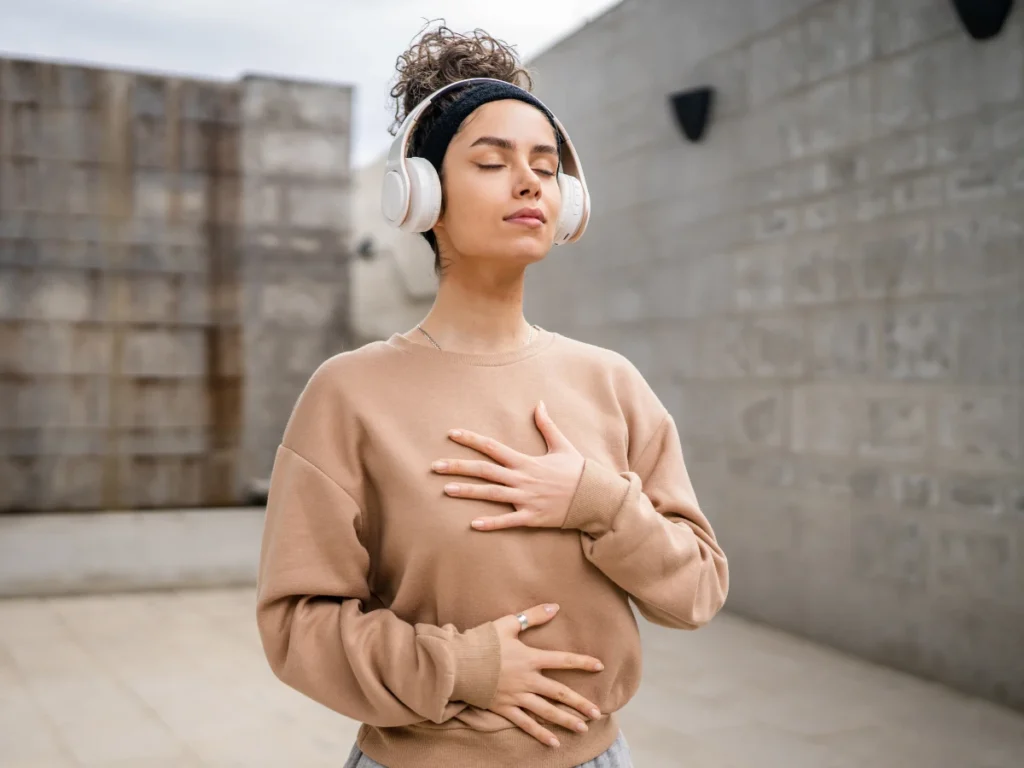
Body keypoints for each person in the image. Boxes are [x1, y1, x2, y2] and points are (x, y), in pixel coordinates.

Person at [255, 24, 728, 768]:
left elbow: (697, 592)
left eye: (545, 165)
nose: (530, 181)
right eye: (492, 161)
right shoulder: (348, 394)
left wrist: (600, 503)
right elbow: (296, 625)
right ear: (423, 195)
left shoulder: (612, 383)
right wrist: (463, 668)